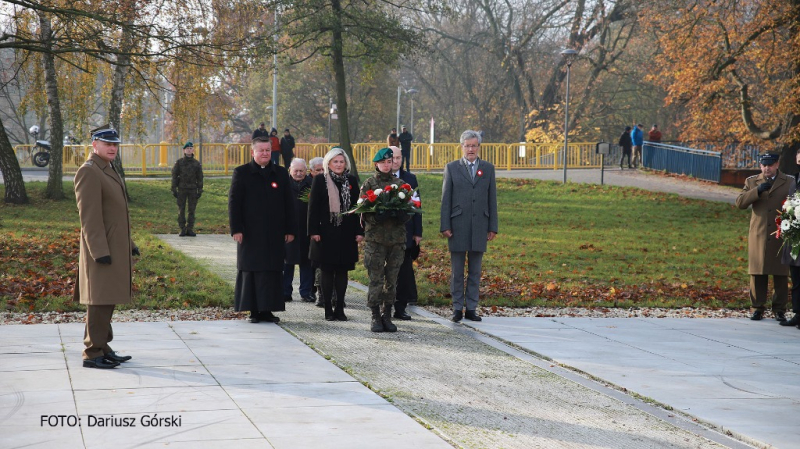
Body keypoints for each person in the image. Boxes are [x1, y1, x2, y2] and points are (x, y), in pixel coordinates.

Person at [74, 124, 139, 369]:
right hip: (100, 249)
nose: (113, 148)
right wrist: (99, 251)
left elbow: (115, 215)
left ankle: (103, 345)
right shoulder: (89, 171)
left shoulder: (107, 168)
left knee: (108, 298)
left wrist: (129, 243)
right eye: (107, 144)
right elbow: (89, 217)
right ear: (95, 145)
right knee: (99, 301)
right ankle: (92, 352)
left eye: (115, 144)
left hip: (114, 245)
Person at [229, 136, 296, 324]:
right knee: (252, 270)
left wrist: (291, 229)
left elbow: (289, 203)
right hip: (250, 233)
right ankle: (254, 311)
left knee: (272, 270)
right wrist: (236, 228)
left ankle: (267, 310)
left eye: (268, 150)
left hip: (275, 232)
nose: (265, 153)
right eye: (261, 150)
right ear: (253, 152)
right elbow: (234, 203)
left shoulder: (281, 173)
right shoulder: (241, 173)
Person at [440, 130, 498, 323]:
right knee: (457, 271)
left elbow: (492, 199)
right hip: (457, 225)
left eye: (474, 145)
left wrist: (493, 226)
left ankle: (471, 308)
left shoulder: (488, 169)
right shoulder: (452, 168)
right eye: (467, 145)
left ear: (479, 147)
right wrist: (445, 225)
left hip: (480, 225)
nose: (471, 149)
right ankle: (457, 308)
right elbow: (445, 199)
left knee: (475, 270)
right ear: (462, 147)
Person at [735, 152, 794, 322]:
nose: (766, 168)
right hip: (759, 232)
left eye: (770, 164)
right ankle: (757, 308)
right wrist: (756, 191)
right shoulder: (752, 181)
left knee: (780, 273)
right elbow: (740, 203)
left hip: (780, 232)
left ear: (777, 164)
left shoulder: (788, 181)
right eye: (763, 165)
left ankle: (779, 309)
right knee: (757, 271)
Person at [308, 148, 364, 321]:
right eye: (335, 162)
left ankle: (340, 307)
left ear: (345, 163)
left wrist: (359, 231)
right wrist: (313, 231)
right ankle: (327, 309)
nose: (339, 165)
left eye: (341, 162)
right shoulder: (320, 180)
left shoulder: (352, 180)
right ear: (328, 164)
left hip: (346, 233)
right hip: (325, 232)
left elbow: (357, 208)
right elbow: (313, 208)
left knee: (342, 271)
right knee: (326, 270)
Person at [360, 147, 411, 332]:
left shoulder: (400, 184)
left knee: (392, 279)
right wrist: (376, 217)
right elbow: (362, 211)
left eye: (389, 162)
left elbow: (409, 209)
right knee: (376, 278)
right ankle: (374, 315)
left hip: (396, 240)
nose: (387, 165)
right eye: (383, 162)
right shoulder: (369, 184)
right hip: (376, 240)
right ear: (377, 164)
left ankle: (387, 314)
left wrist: (402, 215)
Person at [391, 146, 422, 320]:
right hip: (386, 235)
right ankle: (385, 305)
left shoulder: (410, 179)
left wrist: (418, 232)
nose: (396, 161)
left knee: (404, 272)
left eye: (399, 157)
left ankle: (401, 307)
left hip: (406, 233)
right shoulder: (380, 179)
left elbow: (417, 206)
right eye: (393, 158)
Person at [284, 158, 314, 303]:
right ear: (290, 170)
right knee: (286, 262)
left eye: (301, 170)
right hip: (288, 229)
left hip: (306, 229)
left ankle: (306, 292)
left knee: (307, 262)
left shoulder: (312, 184)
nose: (298, 173)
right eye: (295, 170)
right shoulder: (283, 184)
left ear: (306, 171)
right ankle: (285, 291)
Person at [781, 147, 800, 328]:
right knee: (795, 277)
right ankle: (797, 313)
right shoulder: (794, 180)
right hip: (795, 237)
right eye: (799, 154)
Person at [171, 141, 204, 237]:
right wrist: (174, 189)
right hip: (182, 189)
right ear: (184, 150)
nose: (189, 150)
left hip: (193, 189)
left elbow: (200, 177)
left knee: (192, 210)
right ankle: (182, 228)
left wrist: (200, 190)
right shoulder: (179, 162)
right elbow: (174, 176)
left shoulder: (196, 163)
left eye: (191, 148)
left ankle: (190, 229)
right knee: (181, 209)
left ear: (193, 150)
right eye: (187, 149)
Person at [307, 156, 327, 307]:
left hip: (331, 228)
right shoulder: (312, 183)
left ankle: (334, 294)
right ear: (312, 171)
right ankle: (320, 293)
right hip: (317, 229)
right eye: (318, 170)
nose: (321, 172)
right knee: (319, 263)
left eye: (323, 169)